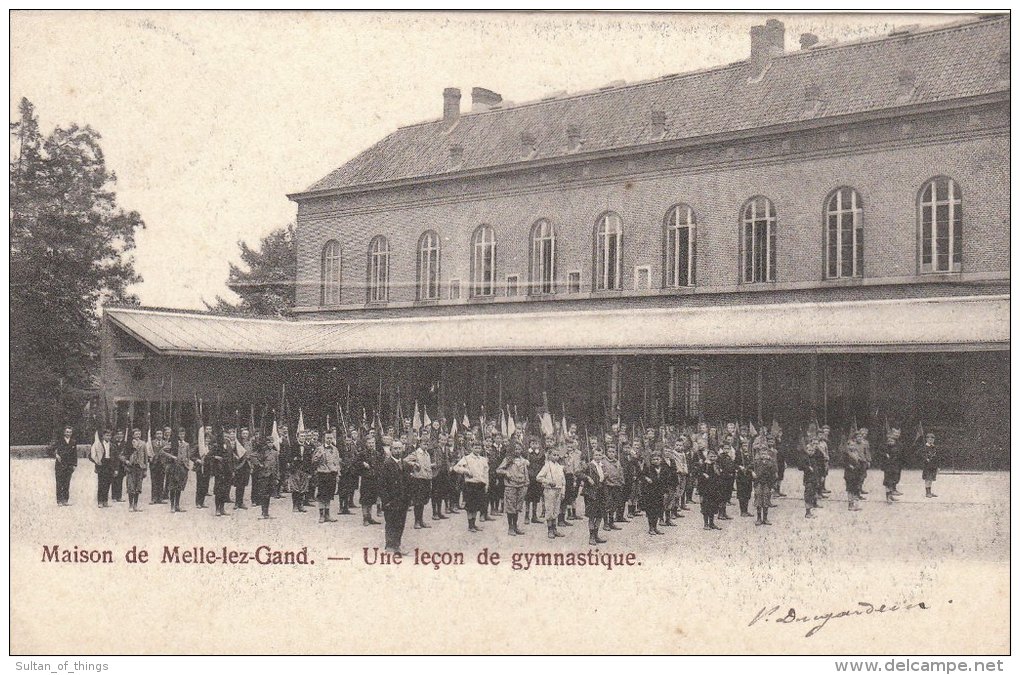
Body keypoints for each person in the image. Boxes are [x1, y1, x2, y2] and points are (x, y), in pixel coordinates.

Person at [379, 439, 413, 555]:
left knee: (400, 523)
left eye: (399, 448)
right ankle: (389, 546)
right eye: (395, 448)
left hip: (403, 501)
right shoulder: (386, 464)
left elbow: (408, 483)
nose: (398, 451)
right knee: (390, 523)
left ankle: (397, 545)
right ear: (391, 450)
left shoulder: (405, 465)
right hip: (391, 501)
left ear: (402, 449)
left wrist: (409, 499)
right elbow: (382, 485)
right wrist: (386, 501)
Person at [452, 441, 490, 532]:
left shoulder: (483, 459)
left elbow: (486, 473)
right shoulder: (467, 458)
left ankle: (474, 523)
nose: (477, 449)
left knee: (477, 506)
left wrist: (486, 484)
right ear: (472, 448)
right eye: (476, 447)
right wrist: (466, 471)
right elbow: (456, 468)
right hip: (470, 485)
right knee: (470, 506)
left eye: (479, 448)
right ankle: (470, 525)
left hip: (480, 484)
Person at [496, 441, 529, 536]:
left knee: (518, 507)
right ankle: (510, 527)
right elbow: (498, 470)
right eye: (515, 449)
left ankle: (515, 526)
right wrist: (506, 472)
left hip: (521, 486)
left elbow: (525, 473)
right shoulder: (508, 459)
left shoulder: (523, 461)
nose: (517, 451)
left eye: (519, 449)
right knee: (511, 507)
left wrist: (526, 484)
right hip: (511, 486)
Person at [579, 447, 608, 546]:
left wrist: (606, 476)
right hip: (591, 493)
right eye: (596, 455)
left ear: (602, 456)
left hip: (601, 492)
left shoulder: (602, 466)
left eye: (600, 455)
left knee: (600, 515)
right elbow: (578, 473)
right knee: (592, 515)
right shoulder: (589, 466)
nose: (598, 457)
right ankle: (591, 537)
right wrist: (587, 478)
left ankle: (596, 535)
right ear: (593, 455)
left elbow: (603, 478)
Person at [536, 448, 567, 539]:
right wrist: (548, 482)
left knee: (556, 509)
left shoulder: (560, 467)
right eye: (554, 455)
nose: (556, 457)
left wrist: (563, 492)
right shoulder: (547, 466)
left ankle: (555, 529)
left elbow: (563, 481)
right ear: (549, 456)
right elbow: (539, 477)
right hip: (549, 490)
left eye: (557, 455)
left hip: (558, 490)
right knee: (549, 509)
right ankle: (550, 529)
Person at [639, 450, 671, 536]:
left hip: (659, 492)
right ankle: (651, 528)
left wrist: (665, 491)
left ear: (661, 459)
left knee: (658, 510)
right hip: (650, 492)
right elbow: (641, 475)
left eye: (657, 459)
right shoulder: (648, 468)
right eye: (653, 459)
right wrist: (646, 478)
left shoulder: (664, 468)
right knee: (651, 510)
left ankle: (655, 527)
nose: (655, 461)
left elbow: (666, 480)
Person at [313, 429, 341, 523]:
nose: (329, 440)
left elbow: (337, 462)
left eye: (330, 438)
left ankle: (327, 515)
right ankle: (321, 515)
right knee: (322, 495)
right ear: (324, 439)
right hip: (322, 474)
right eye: (327, 438)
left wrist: (338, 474)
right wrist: (319, 456)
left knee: (329, 495)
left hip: (332, 474)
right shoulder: (319, 449)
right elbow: (313, 461)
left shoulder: (335, 449)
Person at [250, 434, 279, 519]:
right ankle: (264, 512)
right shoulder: (262, 451)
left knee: (269, 494)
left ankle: (266, 513)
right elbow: (252, 456)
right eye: (268, 442)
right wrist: (260, 465)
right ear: (266, 443)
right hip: (264, 475)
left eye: (271, 442)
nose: (270, 444)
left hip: (272, 476)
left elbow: (277, 465)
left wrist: (277, 477)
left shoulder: (275, 452)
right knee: (264, 494)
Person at [210, 427, 236, 516]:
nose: (225, 437)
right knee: (218, 491)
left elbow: (231, 457)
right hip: (219, 470)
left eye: (226, 435)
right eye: (223, 435)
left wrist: (232, 470)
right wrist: (216, 457)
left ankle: (222, 508)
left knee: (225, 490)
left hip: (227, 470)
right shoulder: (216, 445)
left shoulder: (228, 443)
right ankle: (217, 509)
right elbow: (209, 456)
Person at [409, 438, 433, 529]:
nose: (425, 446)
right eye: (424, 444)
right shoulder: (416, 453)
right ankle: (416, 522)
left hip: (426, 479)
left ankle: (421, 520)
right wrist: (414, 464)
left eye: (427, 444)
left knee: (423, 501)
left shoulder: (427, 454)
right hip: (418, 479)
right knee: (418, 501)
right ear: (420, 444)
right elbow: (406, 460)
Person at [166, 427, 191, 513]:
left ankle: (177, 505)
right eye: (180, 434)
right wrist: (172, 457)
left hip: (182, 467)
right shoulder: (172, 444)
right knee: (173, 486)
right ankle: (172, 506)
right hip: (174, 467)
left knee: (179, 487)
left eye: (183, 434)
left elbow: (188, 456)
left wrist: (187, 466)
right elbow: (163, 451)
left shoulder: (186, 444)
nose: (182, 436)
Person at [287, 429, 312, 513]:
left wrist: (309, 471)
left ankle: (301, 505)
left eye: (304, 436)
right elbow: (288, 458)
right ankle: (295, 506)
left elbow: (309, 460)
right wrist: (293, 460)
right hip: (295, 469)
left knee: (303, 488)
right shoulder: (293, 446)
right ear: (297, 437)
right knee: (295, 488)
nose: (303, 438)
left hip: (304, 469)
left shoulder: (308, 447)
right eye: (301, 436)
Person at [51, 425, 77, 506]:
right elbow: (50, 449)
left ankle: (65, 500)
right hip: (60, 465)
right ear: (64, 432)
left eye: (70, 432)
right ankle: (59, 500)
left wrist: (74, 464)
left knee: (67, 483)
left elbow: (74, 454)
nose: (68, 433)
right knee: (59, 483)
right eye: (67, 432)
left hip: (69, 465)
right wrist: (56, 455)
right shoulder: (59, 441)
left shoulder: (73, 442)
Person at [600, 446, 625, 531]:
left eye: (613, 452)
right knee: (607, 504)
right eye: (610, 451)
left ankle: (611, 522)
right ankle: (606, 523)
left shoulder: (617, 462)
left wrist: (622, 482)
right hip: (607, 485)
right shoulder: (603, 462)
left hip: (616, 485)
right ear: (607, 452)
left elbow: (620, 472)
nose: (611, 453)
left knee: (614, 504)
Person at [125, 428, 149, 512]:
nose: (138, 436)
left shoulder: (143, 444)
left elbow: (146, 457)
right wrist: (126, 461)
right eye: (136, 434)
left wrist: (145, 469)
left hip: (140, 467)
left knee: (138, 487)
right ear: (132, 435)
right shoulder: (129, 444)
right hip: (131, 468)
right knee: (131, 486)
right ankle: (130, 505)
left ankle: (136, 505)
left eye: (139, 434)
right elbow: (122, 455)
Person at [699, 450, 724, 530]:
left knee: (713, 506)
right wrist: (703, 475)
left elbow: (719, 476)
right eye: (711, 456)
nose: (713, 458)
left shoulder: (716, 465)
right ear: (707, 457)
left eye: (714, 456)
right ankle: (706, 524)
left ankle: (712, 523)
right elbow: (699, 475)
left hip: (715, 489)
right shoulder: (704, 465)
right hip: (706, 490)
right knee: (706, 507)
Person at [752, 442, 776, 525]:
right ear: (759, 454)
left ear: (767, 454)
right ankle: (758, 518)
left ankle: (765, 518)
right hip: (758, 483)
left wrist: (773, 487)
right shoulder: (756, 462)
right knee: (758, 499)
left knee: (766, 500)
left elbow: (774, 475)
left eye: (765, 453)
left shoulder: (771, 463)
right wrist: (752, 472)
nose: (763, 455)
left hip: (767, 484)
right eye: (762, 453)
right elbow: (749, 468)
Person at [90, 428, 115, 508]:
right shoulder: (98, 444)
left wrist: (115, 468)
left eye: (109, 436)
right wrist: (96, 462)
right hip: (102, 464)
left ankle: (105, 501)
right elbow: (91, 456)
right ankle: (100, 501)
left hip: (110, 464)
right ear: (103, 436)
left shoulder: (112, 445)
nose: (108, 437)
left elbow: (115, 457)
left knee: (108, 483)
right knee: (101, 483)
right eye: (107, 435)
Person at [192, 425, 212, 509]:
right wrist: (197, 460)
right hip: (200, 468)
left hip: (207, 468)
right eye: (205, 439)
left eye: (208, 439)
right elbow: (191, 456)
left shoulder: (210, 447)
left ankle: (202, 502)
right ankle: (198, 502)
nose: (207, 441)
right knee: (200, 485)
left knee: (205, 485)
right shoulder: (198, 447)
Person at [524, 438, 544, 524]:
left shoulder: (541, 454)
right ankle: (526, 515)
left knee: (536, 498)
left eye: (536, 443)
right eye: (532, 443)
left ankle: (534, 515)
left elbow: (543, 465)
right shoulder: (526, 454)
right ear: (529, 444)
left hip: (537, 478)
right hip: (529, 478)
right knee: (528, 498)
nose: (534, 445)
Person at [233, 428, 253, 509]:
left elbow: (252, 453)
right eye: (243, 434)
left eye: (246, 434)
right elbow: (233, 452)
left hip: (247, 465)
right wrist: (237, 457)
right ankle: (237, 503)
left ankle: (241, 502)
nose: (245, 435)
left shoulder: (250, 443)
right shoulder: (238, 443)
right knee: (238, 484)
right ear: (241, 435)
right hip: (240, 465)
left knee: (244, 484)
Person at [844, 435, 864, 512]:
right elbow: (844, 462)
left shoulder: (856, 453)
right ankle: (850, 504)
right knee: (850, 489)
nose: (853, 446)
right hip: (849, 474)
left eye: (854, 445)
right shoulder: (846, 454)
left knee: (855, 489)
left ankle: (855, 504)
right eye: (851, 445)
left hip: (856, 473)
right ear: (848, 446)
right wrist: (849, 466)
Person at [881, 428, 902, 502]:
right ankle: (888, 497)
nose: (891, 442)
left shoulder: (896, 447)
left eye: (892, 441)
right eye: (889, 441)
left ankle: (891, 495)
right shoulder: (885, 448)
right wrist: (885, 455)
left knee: (893, 480)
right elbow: (881, 454)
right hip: (888, 467)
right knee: (887, 482)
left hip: (895, 466)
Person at [802, 438, 819, 518]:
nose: (811, 452)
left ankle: (810, 510)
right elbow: (800, 466)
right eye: (809, 450)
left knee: (812, 494)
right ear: (806, 450)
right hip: (808, 480)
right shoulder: (805, 458)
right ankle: (807, 512)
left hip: (814, 479)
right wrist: (807, 467)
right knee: (808, 495)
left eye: (812, 450)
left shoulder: (814, 459)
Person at [149, 428, 166, 506]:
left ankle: (160, 498)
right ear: (155, 435)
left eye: (160, 434)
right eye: (157, 434)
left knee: (161, 481)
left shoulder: (165, 443)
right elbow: (149, 452)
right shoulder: (151, 443)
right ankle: (154, 498)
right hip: (154, 464)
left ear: (162, 435)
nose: (159, 435)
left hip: (162, 464)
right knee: (154, 481)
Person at [109, 429, 126, 503]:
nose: (119, 435)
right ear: (116, 435)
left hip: (122, 464)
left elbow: (127, 453)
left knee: (120, 480)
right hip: (114, 464)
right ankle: (114, 497)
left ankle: (119, 496)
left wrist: (124, 458)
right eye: (118, 434)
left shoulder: (125, 443)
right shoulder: (112, 443)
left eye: (121, 434)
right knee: (114, 480)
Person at [921, 432, 939, 498]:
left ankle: (930, 492)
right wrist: (926, 459)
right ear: (926, 439)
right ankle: (927, 492)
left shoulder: (934, 447)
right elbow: (921, 455)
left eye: (932, 439)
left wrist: (938, 466)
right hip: (927, 466)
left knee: (931, 479)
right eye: (929, 439)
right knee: (927, 479)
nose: (931, 440)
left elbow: (937, 457)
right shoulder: (924, 447)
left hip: (933, 465)